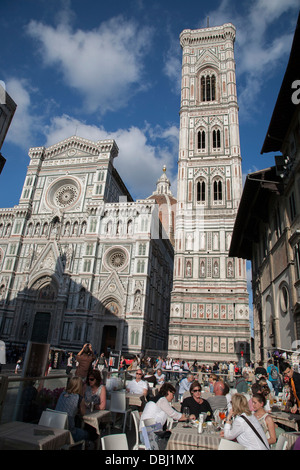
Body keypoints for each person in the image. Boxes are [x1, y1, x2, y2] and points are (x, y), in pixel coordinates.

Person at [55, 376, 90, 442]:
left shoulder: (62, 394)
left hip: (56, 426)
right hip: (68, 430)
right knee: (86, 434)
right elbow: (83, 413)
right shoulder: (79, 398)